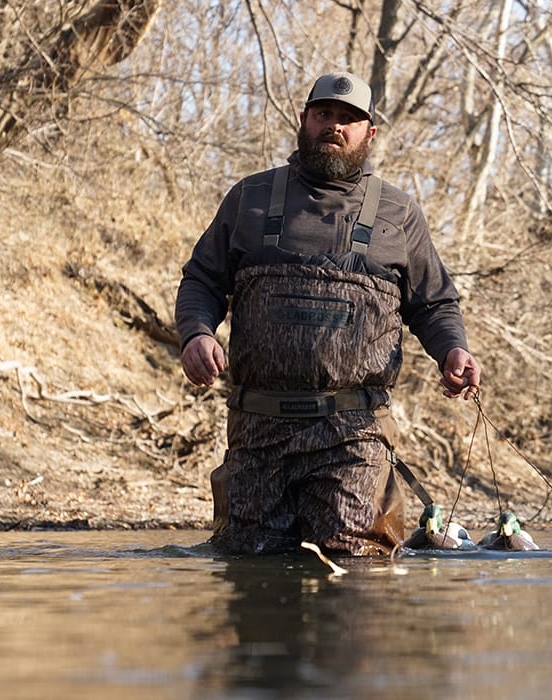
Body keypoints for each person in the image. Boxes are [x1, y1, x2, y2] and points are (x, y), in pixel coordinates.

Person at [175, 71, 481, 556]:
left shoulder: (398, 214)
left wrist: (453, 350)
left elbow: (434, 303)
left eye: (349, 119)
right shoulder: (248, 199)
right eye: (324, 114)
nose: (334, 126)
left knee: (353, 578)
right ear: (304, 120)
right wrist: (196, 333)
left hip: (354, 437)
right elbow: (202, 281)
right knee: (250, 573)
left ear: (369, 133)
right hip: (257, 435)